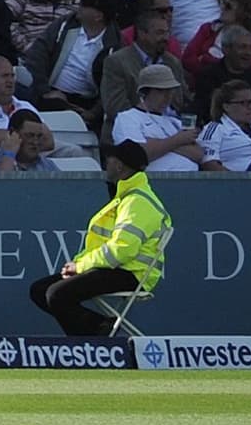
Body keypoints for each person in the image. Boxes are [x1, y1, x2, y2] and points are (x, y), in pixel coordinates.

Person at [32, 141, 172, 335]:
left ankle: (88, 346)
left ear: (119, 165)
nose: (106, 165)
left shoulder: (137, 201)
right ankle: (100, 327)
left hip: (130, 274)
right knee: (40, 290)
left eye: (109, 160)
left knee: (56, 294)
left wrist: (79, 267)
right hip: (115, 269)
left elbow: (122, 250)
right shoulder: (127, 197)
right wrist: (78, 264)